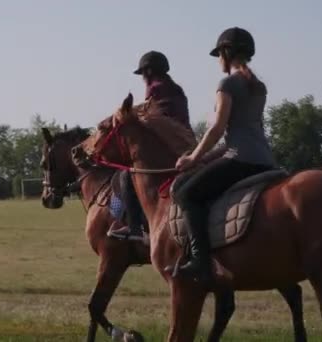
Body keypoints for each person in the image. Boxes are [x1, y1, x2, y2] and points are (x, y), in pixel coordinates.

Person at [165, 27, 276, 280]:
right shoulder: (259, 87)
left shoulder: (227, 83)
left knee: (186, 194)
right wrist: (203, 159)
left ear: (226, 52)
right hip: (265, 161)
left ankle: (200, 262)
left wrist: (193, 158)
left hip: (241, 160)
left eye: (218, 54)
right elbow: (240, 135)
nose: (218, 60)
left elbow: (217, 128)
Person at [108, 50, 190, 242]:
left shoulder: (155, 88)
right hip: (184, 144)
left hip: (164, 145)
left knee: (125, 174)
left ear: (150, 71)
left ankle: (132, 225)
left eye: (143, 73)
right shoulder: (176, 89)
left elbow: (147, 116)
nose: (143, 78)